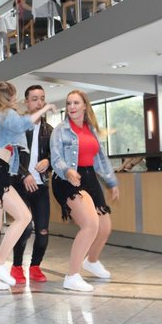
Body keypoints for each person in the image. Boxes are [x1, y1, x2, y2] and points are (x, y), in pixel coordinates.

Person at [0, 81, 56, 291]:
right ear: (10, 96)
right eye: (14, 96)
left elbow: (20, 124)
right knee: (24, 217)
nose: (16, 100)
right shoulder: (6, 114)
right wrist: (46, 107)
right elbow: (23, 124)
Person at [50, 89, 119, 292]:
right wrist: (67, 170)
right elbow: (55, 158)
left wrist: (111, 182)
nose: (71, 107)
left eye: (76, 103)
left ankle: (91, 261)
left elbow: (101, 159)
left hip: (89, 177)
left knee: (104, 227)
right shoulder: (60, 130)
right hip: (66, 178)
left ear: (85, 106)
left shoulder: (91, 130)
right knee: (90, 224)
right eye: (69, 103)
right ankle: (72, 276)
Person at [10, 85, 54, 284]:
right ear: (26, 102)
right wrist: (25, 174)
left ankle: (35, 266)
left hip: (41, 186)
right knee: (24, 228)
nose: (39, 102)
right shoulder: (18, 127)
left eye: (42, 98)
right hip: (20, 185)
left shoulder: (49, 130)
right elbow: (12, 156)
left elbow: (56, 157)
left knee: (43, 230)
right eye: (35, 99)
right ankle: (16, 266)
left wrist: (48, 161)